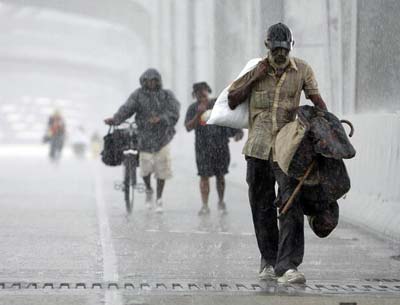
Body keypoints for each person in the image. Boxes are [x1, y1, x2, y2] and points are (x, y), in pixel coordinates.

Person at [227, 23, 328, 284]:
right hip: (257, 149)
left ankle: (288, 266)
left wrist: (327, 129)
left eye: (285, 49)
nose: (280, 54)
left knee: (290, 203)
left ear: (291, 47)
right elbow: (232, 99)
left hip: (288, 149)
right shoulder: (255, 69)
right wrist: (255, 76)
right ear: (267, 47)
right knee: (261, 208)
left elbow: (318, 102)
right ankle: (269, 261)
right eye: (276, 49)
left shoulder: (303, 70)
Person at [104, 68, 180, 213]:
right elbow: (127, 109)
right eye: (148, 81)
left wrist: (160, 119)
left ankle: (159, 198)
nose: (151, 83)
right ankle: (149, 190)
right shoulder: (138, 95)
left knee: (161, 169)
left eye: (154, 81)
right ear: (144, 82)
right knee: (145, 168)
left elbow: (174, 113)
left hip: (163, 137)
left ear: (158, 81)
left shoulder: (166, 95)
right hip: (144, 137)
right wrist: (115, 119)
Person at [185, 82, 243, 215]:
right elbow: (188, 127)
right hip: (202, 148)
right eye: (198, 92)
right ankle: (205, 205)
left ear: (208, 91)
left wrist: (237, 131)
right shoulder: (193, 108)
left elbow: (229, 118)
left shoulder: (218, 104)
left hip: (220, 146)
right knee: (203, 176)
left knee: (220, 176)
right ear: (195, 95)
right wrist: (198, 114)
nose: (202, 94)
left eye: (204, 91)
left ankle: (221, 201)